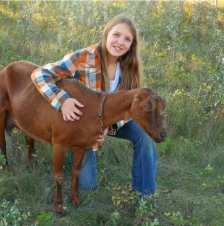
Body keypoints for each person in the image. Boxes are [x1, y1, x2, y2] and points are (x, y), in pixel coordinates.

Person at [31, 14, 157, 199]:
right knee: (87, 186)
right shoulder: (82, 58)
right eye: (116, 35)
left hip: (112, 123)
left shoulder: (130, 69)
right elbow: (39, 73)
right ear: (106, 34)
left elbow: (131, 109)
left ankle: (145, 199)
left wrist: (110, 126)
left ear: (132, 44)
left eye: (127, 39)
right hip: (84, 127)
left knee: (146, 136)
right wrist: (62, 99)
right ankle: (81, 153)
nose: (120, 42)